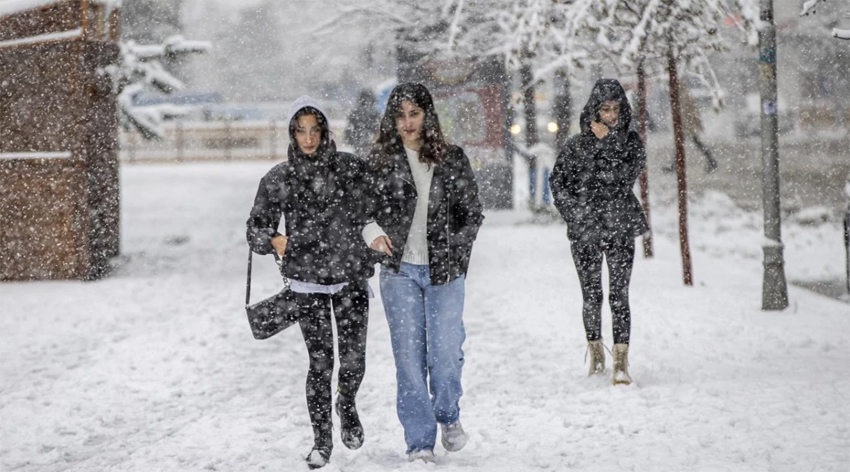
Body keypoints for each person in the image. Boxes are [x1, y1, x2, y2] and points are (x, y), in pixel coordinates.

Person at [246, 96, 375, 469]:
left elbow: (377, 209)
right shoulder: (279, 178)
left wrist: (375, 246)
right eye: (300, 131)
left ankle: (346, 404)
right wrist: (273, 239)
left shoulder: (350, 168)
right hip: (306, 284)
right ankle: (322, 441)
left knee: (353, 362)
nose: (307, 138)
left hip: (350, 279)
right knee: (320, 364)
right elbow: (255, 227)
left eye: (314, 130)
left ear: (324, 131)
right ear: (292, 134)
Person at [361, 83, 484, 463]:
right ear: (391, 119)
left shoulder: (452, 158)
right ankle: (419, 440)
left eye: (414, 114)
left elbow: (471, 213)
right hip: (399, 271)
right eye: (400, 116)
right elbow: (362, 210)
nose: (408, 123)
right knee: (409, 358)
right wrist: (373, 234)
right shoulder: (380, 161)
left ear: (427, 115)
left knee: (446, 353)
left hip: (445, 271)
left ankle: (447, 414)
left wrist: (457, 255)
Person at [549, 79, 649, 386]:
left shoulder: (631, 144)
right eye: (605, 109)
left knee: (619, 296)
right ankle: (596, 356)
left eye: (616, 109)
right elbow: (558, 183)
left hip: (619, 226)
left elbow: (624, 177)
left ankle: (621, 362)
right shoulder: (575, 145)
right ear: (594, 110)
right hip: (585, 231)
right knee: (591, 296)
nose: (611, 115)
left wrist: (609, 143)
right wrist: (575, 215)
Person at [663, 84, 717, 173]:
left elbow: (693, 111)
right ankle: (711, 160)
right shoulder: (683, 96)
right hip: (687, 127)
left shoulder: (685, 97)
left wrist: (696, 124)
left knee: (687, 144)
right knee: (693, 144)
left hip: (688, 127)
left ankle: (711, 160)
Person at [345, 89, 381, 158]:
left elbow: (348, 133)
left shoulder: (354, 114)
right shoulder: (376, 115)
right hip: (372, 147)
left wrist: (354, 141)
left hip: (358, 145)